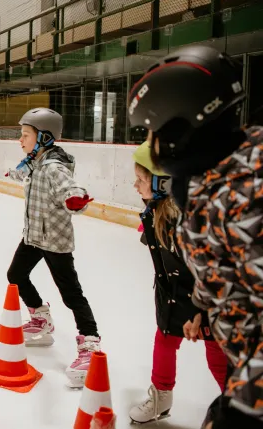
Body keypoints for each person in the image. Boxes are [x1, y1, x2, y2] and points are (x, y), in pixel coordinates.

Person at [127, 45, 263, 429]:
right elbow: (223, 272)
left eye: (154, 130)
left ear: (179, 131)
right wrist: (202, 304)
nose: (151, 140)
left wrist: (241, 407)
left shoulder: (242, 204)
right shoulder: (215, 184)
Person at [129, 141, 227, 424]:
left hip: (203, 298)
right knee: (164, 340)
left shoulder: (186, 221)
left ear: (164, 182)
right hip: (170, 293)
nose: (135, 186)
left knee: (217, 353)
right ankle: (161, 396)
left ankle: (236, 405)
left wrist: (200, 309)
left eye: (141, 180)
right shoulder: (156, 212)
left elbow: (208, 269)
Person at [4, 108, 98, 388]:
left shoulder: (53, 166)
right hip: (34, 236)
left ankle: (90, 344)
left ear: (43, 137)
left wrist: (75, 199)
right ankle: (41, 319)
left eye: (25, 135)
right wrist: (12, 172)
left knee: (71, 293)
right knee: (16, 275)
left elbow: (70, 187)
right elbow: (26, 176)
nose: (20, 140)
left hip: (54, 241)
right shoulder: (36, 161)